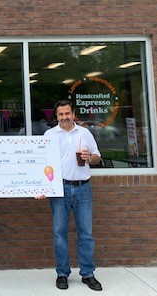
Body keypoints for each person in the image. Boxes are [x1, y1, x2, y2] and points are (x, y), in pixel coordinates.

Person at [42, 100, 103, 292]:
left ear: (73, 113)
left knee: (86, 233)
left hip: (83, 188)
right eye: (60, 114)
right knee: (59, 233)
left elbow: (97, 157)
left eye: (67, 113)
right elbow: (42, 164)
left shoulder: (84, 133)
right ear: (56, 116)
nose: (64, 117)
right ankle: (62, 273)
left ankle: (88, 274)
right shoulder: (49, 135)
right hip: (59, 189)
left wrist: (89, 158)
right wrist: (42, 187)